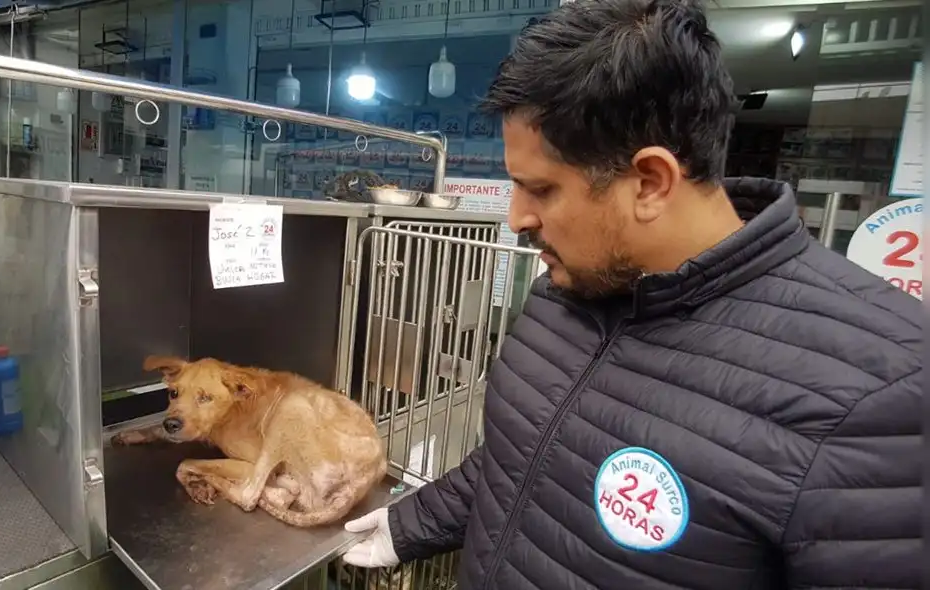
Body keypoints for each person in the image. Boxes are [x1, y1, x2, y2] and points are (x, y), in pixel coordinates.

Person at [340, 0, 921, 587]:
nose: (515, 218)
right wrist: (411, 523)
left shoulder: (879, 394)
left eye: (540, 189)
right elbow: (522, 454)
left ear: (650, 182)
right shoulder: (563, 292)